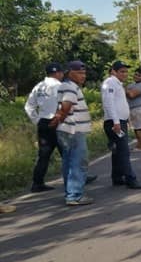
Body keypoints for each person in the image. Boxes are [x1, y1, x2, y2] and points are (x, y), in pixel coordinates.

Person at [54, 61, 94, 206]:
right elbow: (66, 107)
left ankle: (70, 193)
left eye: (84, 73)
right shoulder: (70, 87)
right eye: (79, 73)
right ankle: (75, 195)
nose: (83, 76)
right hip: (73, 130)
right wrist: (61, 120)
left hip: (68, 130)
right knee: (78, 162)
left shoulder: (69, 86)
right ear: (70, 72)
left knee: (69, 162)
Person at [101, 61, 141, 189]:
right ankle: (131, 179)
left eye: (126, 71)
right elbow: (108, 103)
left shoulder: (118, 84)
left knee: (118, 151)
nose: (125, 74)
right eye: (122, 71)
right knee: (124, 150)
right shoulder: (110, 83)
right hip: (115, 123)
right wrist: (116, 122)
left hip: (120, 121)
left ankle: (117, 177)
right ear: (113, 71)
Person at [24, 62, 64, 192]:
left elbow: (28, 106)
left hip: (43, 123)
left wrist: (37, 120)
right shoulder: (60, 86)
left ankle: (37, 183)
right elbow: (64, 105)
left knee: (44, 155)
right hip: (57, 122)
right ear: (58, 73)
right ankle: (79, 177)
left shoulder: (39, 86)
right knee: (68, 152)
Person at [126, 67, 141, 151]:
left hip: (139, 109)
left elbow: (132, 95)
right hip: (132, 109)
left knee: (139, 128)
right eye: (135, 74)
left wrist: (126, 90)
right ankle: (138, 145)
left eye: (139, 75)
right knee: (136, 128)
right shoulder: (132, 84)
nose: (136, 76)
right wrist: (127, 90)